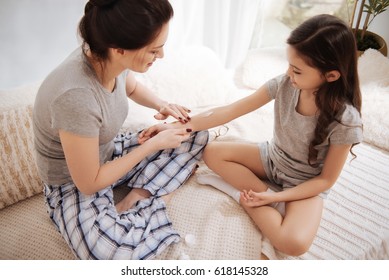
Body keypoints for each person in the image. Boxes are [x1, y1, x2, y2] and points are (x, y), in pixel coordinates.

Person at [139, 14, 363, 256]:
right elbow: (230, 110)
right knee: (213, 152)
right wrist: (174, 127)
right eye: (289, 65)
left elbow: (325, 181)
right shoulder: (284, 84)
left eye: (297, 70)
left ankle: (248, 197)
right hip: (272, 159)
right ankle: (257, 196)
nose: (289, 73)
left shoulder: (346, 121)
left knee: (293, 244)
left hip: (305, 184)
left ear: (331, 75)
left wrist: (279, 197)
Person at [32, 0, 209, 260]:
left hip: (109, 149)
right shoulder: (75, 96)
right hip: (74, 184)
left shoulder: (107, 56)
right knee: (110, 258)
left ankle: (140, 194)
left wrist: (163, 105)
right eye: (154, 50)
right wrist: (152, 145)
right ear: (119, 50)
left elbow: (132, 88)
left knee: (195, 134)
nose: (161, 56)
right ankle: (157, 199)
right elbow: (89, 182)